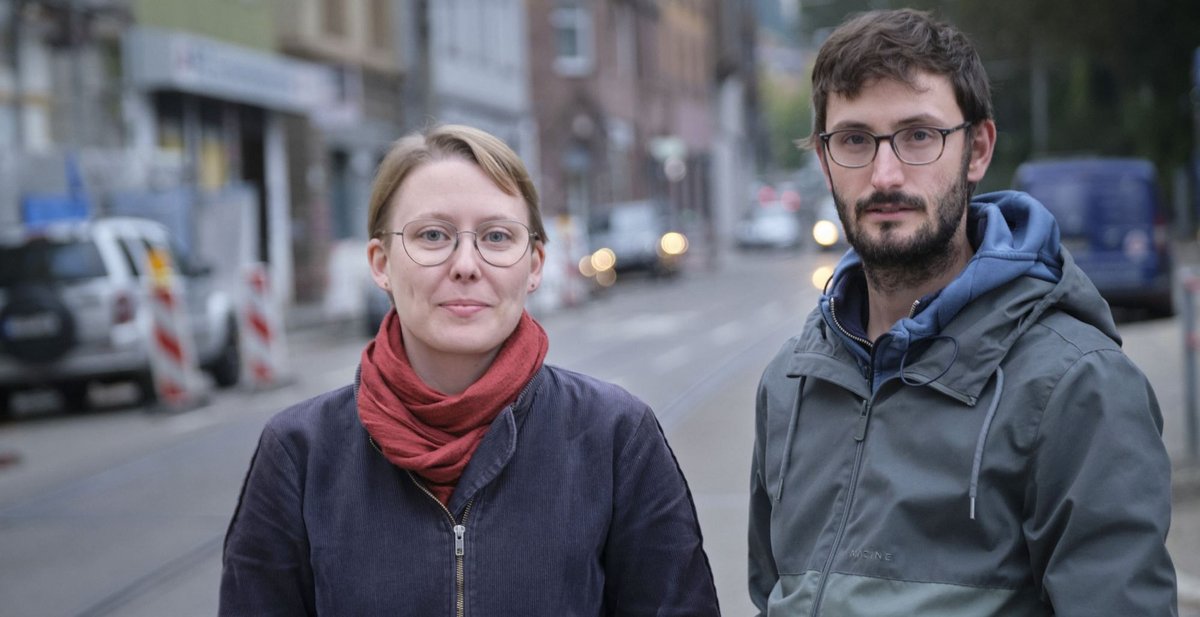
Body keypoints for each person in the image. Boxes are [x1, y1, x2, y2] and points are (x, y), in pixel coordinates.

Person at [748, 9, 1177, 616]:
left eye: (919, 135)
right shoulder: (791, 383)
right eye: (854, 140)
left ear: (976, 150)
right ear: (825, 161)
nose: (885, 174)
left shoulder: (1077, 386)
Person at [221, 124, 719, 615]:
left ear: (535, 264)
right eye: (432, 235)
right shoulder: (300, 454)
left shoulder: (616, 437)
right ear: (381, 263)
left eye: (497, 236)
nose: (465, 264)